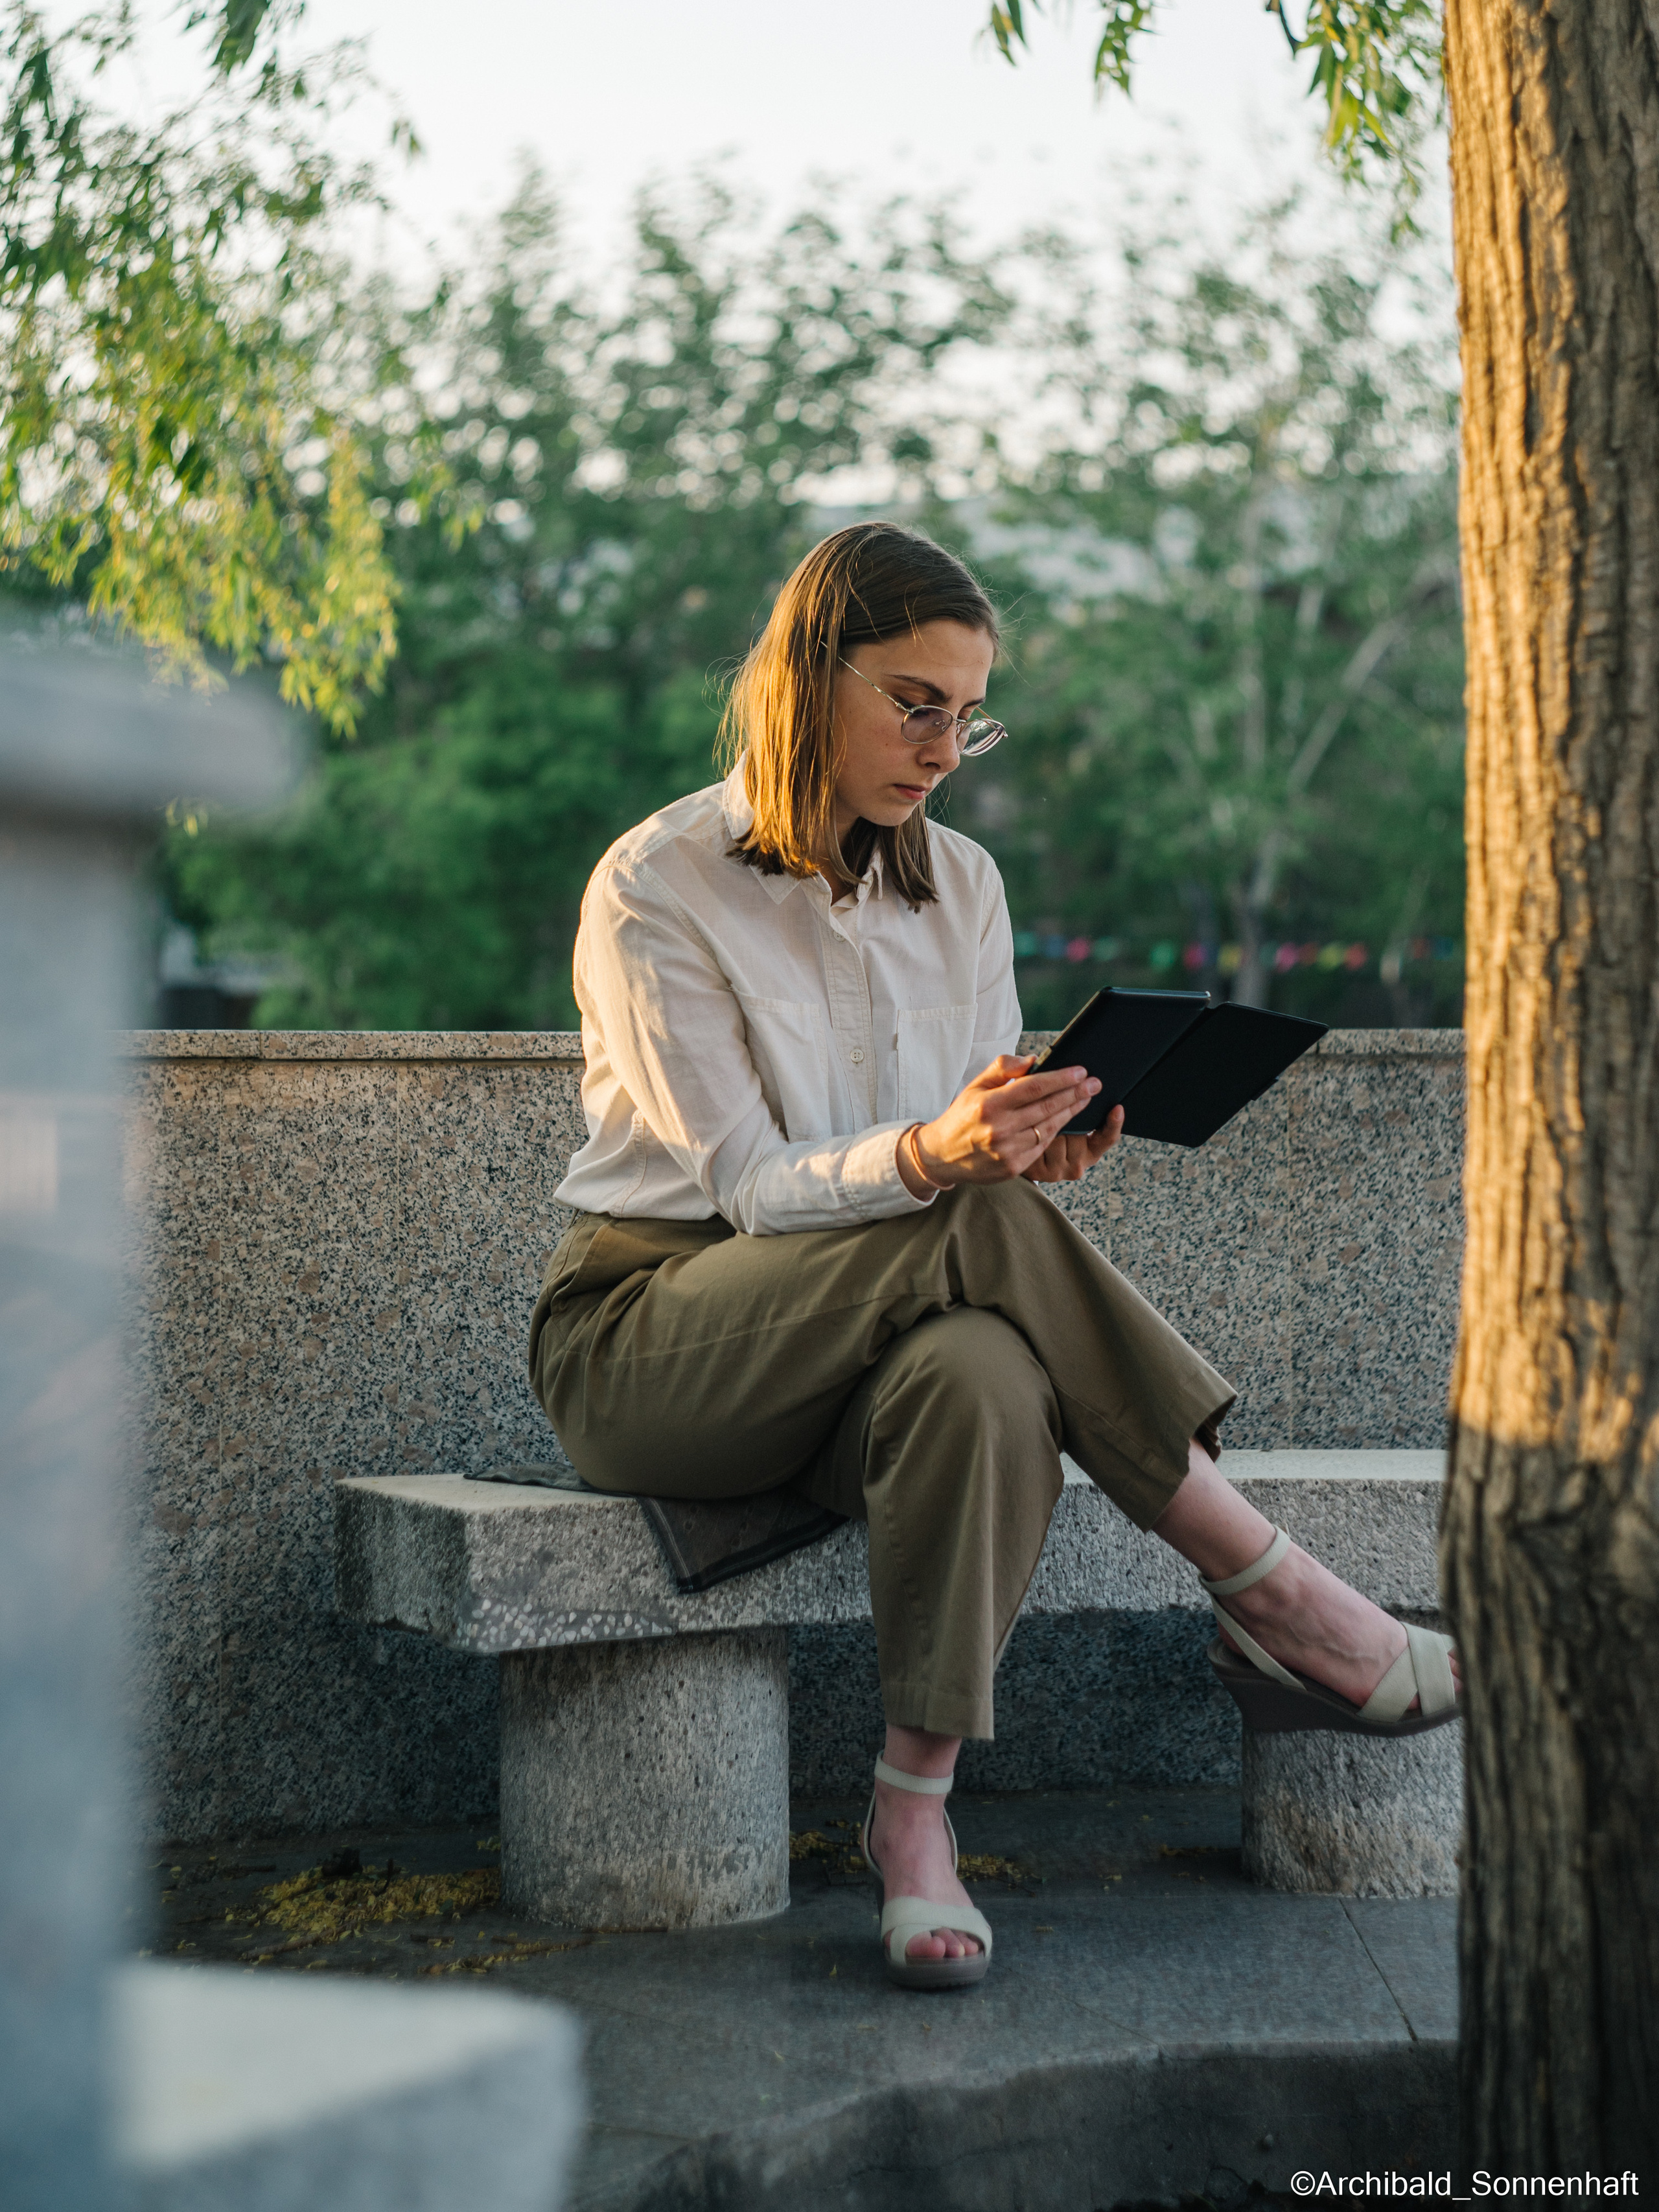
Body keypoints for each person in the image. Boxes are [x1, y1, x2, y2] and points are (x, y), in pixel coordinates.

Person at [528, 520, 1457, 1992]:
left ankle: (912, 1824)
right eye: (914, 703)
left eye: (968, 714)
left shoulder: (957, 884)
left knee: (979, 1372)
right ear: (806, 678)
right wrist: (946, 1160)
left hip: (893, 1323)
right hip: (658, 1335)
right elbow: (760, 1189)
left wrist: (1024, 1138)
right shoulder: (658, 884)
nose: (946, 746)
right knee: (965, 1213)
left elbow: (961, 1162)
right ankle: (1267, 1585)